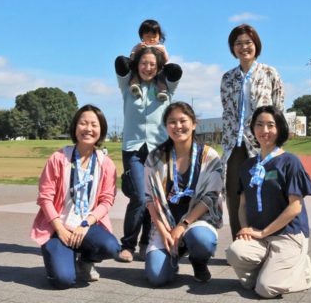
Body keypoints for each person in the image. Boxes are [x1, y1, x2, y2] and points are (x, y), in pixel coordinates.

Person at [225, 105, 311, 298]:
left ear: (279, 129)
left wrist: (264, 232)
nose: (264, 131)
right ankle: (269, 270)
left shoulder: (290, 162)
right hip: (259, 236)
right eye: (259, 125)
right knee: (235, 251)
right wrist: (246, 229)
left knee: (266, 289)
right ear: (253, 129)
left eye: (270, 125)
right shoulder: (247, 165)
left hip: (288, 235)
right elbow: (242, 204)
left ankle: (301, 272)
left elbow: (295, 207)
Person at [30, 104, 120, 289]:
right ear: (75, 127)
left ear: (101, 129)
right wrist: (60, 229)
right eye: (83, 123)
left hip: (86, 225)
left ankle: (85, 260)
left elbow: (107, 199)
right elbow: (45, 198)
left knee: (112, 248)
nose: (88, 129)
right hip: (57, 228)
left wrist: (86, 223)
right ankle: (61, 256)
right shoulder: (59, 158)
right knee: (63, 280)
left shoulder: (106, 164)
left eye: (94, 124)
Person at [115, 46, 183, 263]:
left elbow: (176, 70)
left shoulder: (166, 87)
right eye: (143, 63)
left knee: (153, 197)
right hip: (133, 148)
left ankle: (146, 242)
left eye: (152, 64)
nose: (147, 68)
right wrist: (136, 52)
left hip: (158, 148)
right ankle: (128, 244)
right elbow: (120, 62)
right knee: (138, 196)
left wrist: (162, 53)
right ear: (137, 65)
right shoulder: (127, 85)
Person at [144, 102, 223, 286]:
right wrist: (164, 231)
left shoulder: (209, 156)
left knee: (201, 240)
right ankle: (174, 256)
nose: (178, 126)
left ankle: (199, 261)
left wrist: (183, 224)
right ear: (165, 126)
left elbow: (211, 196)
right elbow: (149, 200)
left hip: (197, 221)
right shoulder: (155, 158)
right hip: (166, 223)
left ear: (194, 124)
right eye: (172, 122)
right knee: (157, 277)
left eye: (183, 120)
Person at [221, 23, 285, 240]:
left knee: (264, 191)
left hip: (262, 143)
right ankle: (239, 241)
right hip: (234, 145)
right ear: (232, 48)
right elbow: (227, 112)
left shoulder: (269, 73)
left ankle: (265, 239)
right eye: (238, 44)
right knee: (234, 194)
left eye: (248, 42)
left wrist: (276, 142)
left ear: (256, 45)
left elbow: (278, 108)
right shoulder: (227, 78)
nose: (243, 47)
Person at [128, 19, 170, 101]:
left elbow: (166, 60)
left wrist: (163, 52)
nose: (151, 39)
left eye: (154, 37)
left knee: (162, 74)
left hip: (157, 69)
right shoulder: (139, 46)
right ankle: (135, 86)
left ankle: (162, 91)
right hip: (141, 70)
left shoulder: (161, 47)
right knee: (134, 71)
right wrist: (136, 51)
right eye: (148, 36)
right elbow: (131, 58)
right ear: (142, 37)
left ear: (159, 37)